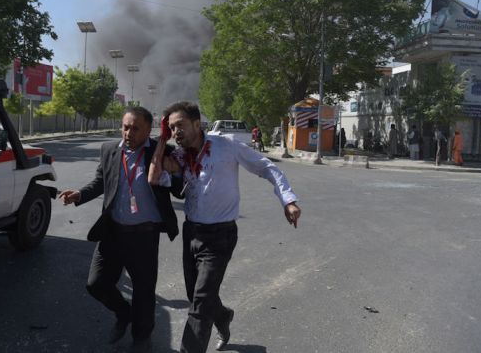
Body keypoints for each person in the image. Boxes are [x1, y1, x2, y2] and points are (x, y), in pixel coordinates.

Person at [149, 101, 301, 353]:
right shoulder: (178, 156)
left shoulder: (226, 145)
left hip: (220, 235)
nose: (176, 132)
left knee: (199, 303)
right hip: (192, 233)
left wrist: (288, 200)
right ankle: (223, 316)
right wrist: (162, 141)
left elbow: (266, 167)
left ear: (197, 124)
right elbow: (154, 177)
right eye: (171, 128)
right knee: (196, 295)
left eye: (179, 126)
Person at [58, 106, 178, 353]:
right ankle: (124, 314)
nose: (128, 133)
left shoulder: (162, 152)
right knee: (96, 284)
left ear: (148, 130)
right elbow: (102, 182)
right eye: (125, 127)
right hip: (113, 231)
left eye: (135, 128)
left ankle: (141, 338)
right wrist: (80, 194)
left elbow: (178, 186)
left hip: (144, 236)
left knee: (144, 292)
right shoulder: (109, 150)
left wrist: (172, 170)